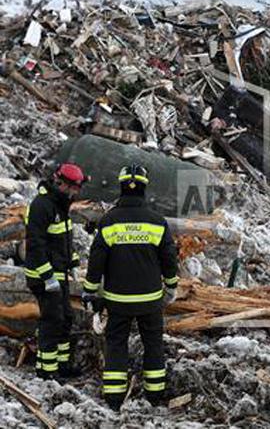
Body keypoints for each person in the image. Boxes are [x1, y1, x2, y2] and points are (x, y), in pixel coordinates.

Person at [82, 164, 178, 411]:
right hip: (150, 300)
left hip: (118, 300)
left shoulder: (109, 221)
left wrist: (90, 289)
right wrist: (171, 286)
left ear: (121, 187)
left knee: (116, 344)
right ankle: (155, 394)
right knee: (153, 344)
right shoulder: (157, 222)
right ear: (145, 188)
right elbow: (169, 257)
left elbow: (97, 259)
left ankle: (114, 397)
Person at [24, 163, 86, 380]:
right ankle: (46, 370)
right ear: (60, 183)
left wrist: (73, 261)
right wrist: (47, 275)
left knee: (66, 318)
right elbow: (36, 245)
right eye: (73, 188)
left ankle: (61, 365)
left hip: (59, 273)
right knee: (52, 320)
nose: (76, 193)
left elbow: (62, 241)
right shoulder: (42, 206)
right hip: (43, 275)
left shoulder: (59, 204)